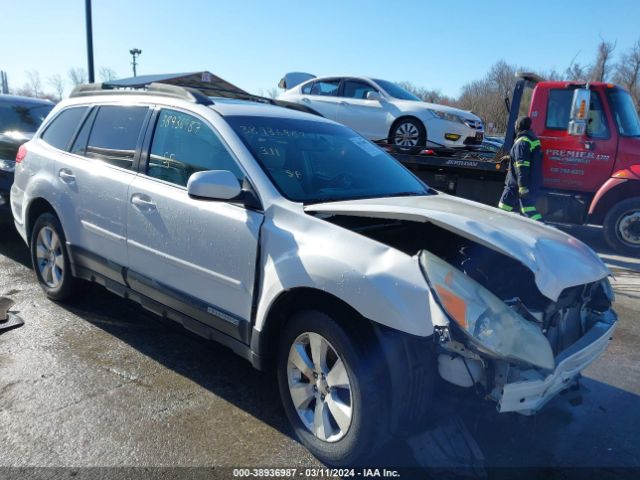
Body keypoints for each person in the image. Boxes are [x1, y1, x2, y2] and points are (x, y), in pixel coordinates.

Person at [498, 116, 543, 221]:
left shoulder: (521, 142)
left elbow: (523, 165)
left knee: (503, 207)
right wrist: (510, 157)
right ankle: (542, 227)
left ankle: (498, 232)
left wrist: (522, 187)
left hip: (517, 185)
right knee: (528, 210)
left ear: (518, 126)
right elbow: (528, 158)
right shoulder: (531, 138)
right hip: (531, 182)